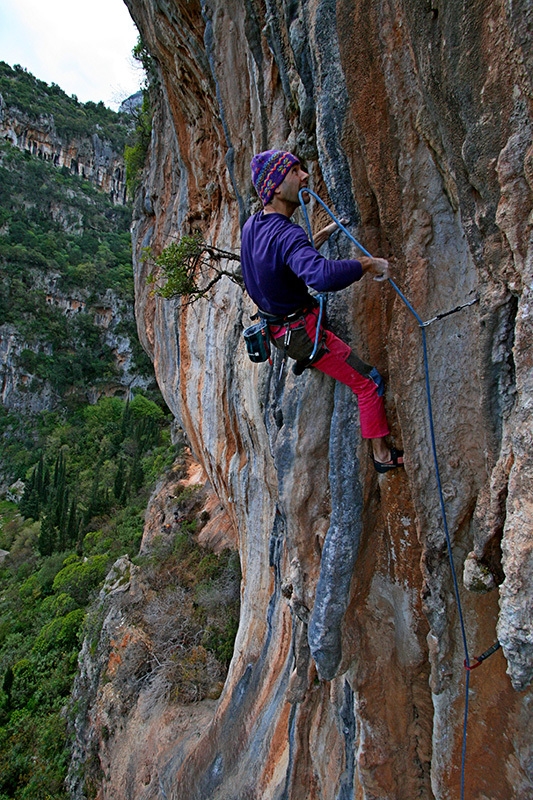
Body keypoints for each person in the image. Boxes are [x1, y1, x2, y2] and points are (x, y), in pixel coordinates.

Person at [240, 149, 404, 473]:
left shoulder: (252, 228)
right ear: (274, 186)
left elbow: (280, 264)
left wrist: (323, 235)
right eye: (294, 171)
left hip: (278, 331)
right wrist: (368, 263)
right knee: (369, 383)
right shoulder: (287, 234)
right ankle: (382, 456)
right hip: (303, 334)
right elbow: (321, 277)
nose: (304, 176)